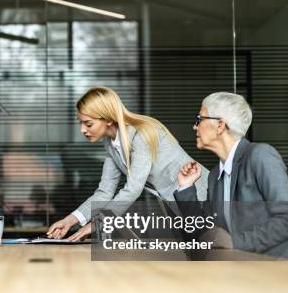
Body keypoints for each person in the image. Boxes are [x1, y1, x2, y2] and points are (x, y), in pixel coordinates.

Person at [47, 86, 208, 241]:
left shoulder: (141, 134)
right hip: (179, 205)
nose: (82, 130)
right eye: (81, 123)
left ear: (108, 119)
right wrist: (70, 221)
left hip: (203, 197)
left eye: (88, 124)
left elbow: (133, 189)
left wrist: (98, 223)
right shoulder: (111, 144)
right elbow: (104, 192)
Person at [175, 92, 288, 261]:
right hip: (250, 269)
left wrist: (234, 244)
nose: (195, 126)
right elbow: (206, 231)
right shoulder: (215, 176)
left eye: (200, 119)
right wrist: (186, 188)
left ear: (220, 125)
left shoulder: (260, 155)